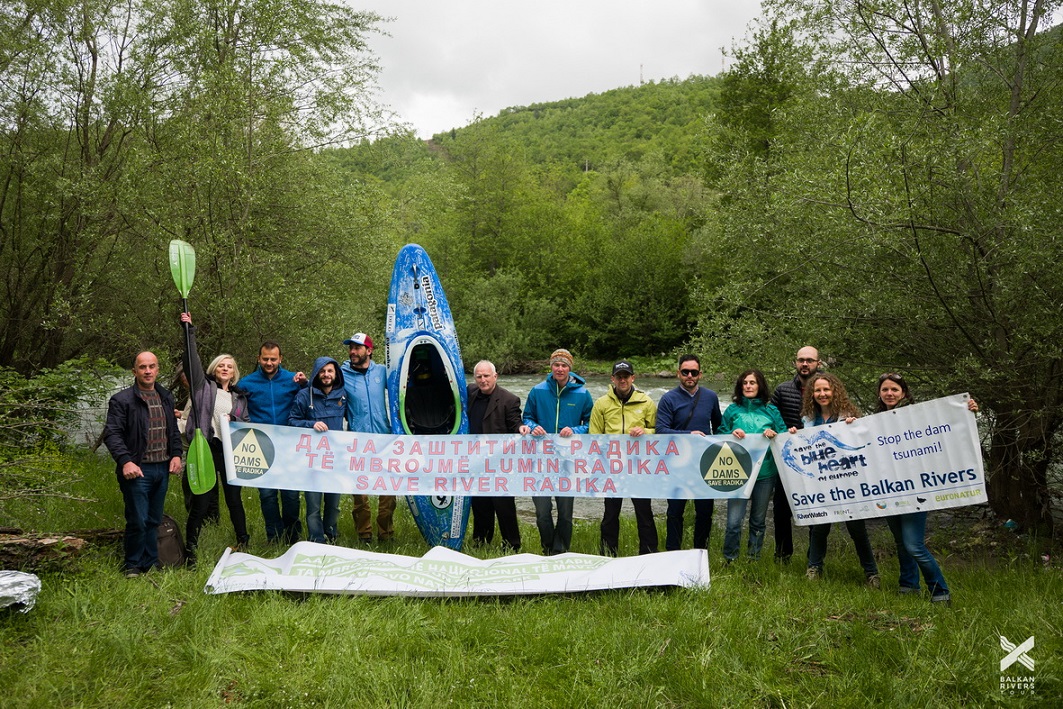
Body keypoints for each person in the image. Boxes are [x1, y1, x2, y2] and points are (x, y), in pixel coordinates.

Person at [876, 372, 977, 603]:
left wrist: (967, 410)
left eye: (895, 389)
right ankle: (908, 585)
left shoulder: (920, 417)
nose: (889, 393)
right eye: (885, 390)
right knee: (901, 542)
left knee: (914, 544)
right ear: (879, 393)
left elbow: (949, 428)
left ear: (904, 393)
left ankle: (940, 591)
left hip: (915, 490)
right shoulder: (873, 421)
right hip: (888, 490)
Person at [794, 372, 881, 586]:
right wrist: (794, 435)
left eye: (826, 389)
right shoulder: (807, 418)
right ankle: (814, 568)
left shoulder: (848, 415)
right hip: (821, 482)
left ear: (835, 391)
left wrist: (855, 427)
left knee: (857, 529)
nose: (822, 394)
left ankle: (871, 573)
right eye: (818, 390)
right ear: (811, 394)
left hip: (848, 482)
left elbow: (863, 444)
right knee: (820, 527)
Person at [103, 352, 184, 577]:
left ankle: (151, 563)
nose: (147, 371)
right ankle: (132, 564)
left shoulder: (165, 396)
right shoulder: (122, 400)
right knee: (137, 519)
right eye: (142, 367)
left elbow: (173, 431)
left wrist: (176, 455)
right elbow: (112, 434)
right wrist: (125, 461)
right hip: (137, 469)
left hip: (162, 468)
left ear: (157, 370)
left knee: (154, 519)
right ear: (135, 371)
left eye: (151, 366)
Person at [179, 312, 250, 563]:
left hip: (228, 452)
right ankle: (190, 549)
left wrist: (236, 422)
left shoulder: (239, 398)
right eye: (221, 365)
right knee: (201, 501)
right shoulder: (202, 386)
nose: (225, 369)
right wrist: (189, 330)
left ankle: (243, 543)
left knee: (234, 500)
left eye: (229, 366)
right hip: (204, 448)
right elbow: (191, 359)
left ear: (234, 372)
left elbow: (246, 425)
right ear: (214, 368)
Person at [519, 348, 593, 555]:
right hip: (539, 460)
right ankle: (548, 548)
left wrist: (576, 429)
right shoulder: (537, 391)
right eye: (556, 364)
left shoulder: (583, 394)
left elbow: (590, 423)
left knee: (565, 513)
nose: (560, 368)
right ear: (551, 366)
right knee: (542, 511)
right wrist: (533, 427)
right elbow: (527, 418)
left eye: (564, 365)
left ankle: (561, 551)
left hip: (568, 461)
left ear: (570, 367)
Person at [240, 341, 306, 544]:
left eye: (273, 359)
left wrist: (305, 382)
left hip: (289, 446)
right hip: (261, 446)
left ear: (280, 359)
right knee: (267, 495)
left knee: (291, 495)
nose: (269, 363)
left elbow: (315, 394)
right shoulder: (246, 383)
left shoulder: (292, 379)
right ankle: (274, 537)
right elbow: (228, 403)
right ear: (259, 358)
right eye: (265, 359)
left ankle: (293, 536)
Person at [592, 360, 659, 556]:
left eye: (626, 376)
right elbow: (594, 436)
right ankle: (607, 554)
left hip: (639, 466)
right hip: (612, 466)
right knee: (611, 514)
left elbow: (658, 432)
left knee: (644, 512)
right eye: (619, 376)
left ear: (633, 378)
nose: (623, 380)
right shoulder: (602, 403)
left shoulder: (646, 402)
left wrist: (645, 430)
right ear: (613, 379)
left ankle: (648, 553)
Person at [719, 370, 786, 562]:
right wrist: (732, 431)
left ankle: (753, 559)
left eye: (753, 383)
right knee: (733, 522)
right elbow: (719, 434)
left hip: (765, 472)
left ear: (760, 386)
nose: (748, 386)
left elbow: (783, 437)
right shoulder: (732, 410)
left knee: (758, 521)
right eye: (745, 383)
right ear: (741, 386)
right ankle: (729, 559)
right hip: (737, 472)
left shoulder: (771, 410)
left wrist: (774, 433)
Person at [656, 354, 721, 551]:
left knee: (704, 512)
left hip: (704, 463)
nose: (689, 376)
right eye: (685, 372)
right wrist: (689, 434)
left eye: (694, 372)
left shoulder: (711, 397)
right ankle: (673, 552)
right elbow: (661, 430)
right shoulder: (668, 399)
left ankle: (700, 552)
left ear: (700, 374)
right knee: (675, 511)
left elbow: (719, 428)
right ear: (678, 373)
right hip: (677, 463)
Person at [341, 332, 395, 545]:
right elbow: (322, 382)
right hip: (357, 441)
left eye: (357, 348)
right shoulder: (342, 373)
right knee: (360, 493)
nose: (353, 352)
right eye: (351, 348)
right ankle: (364, 535)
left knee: (388, 490)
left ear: (369, 351)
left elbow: (402, 388)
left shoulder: (382, 371)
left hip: (384, 440)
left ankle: (386, 534)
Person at [769, 346, 820, 561]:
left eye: (809, 360)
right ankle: (782, 555)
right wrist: (771, 430)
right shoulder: (782, 390)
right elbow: (769, 415)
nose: (805, 364)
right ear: (795, 363)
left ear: (818, 363)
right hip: (787, 460)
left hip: (818, 459)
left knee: (817, 509)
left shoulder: (826, 388)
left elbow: (841, 413)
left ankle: (814, 559)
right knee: (781, 509)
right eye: (801, 360)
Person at [289, 357, 346, 544]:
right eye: (322, 371)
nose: (326, 375)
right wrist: (311, 424)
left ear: (336, 374)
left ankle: (331, 537)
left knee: (334, 504)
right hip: (312, 460)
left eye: (330, 371)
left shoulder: (343, 395)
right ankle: (316, 540)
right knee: (313, 505)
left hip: (335, 460)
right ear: (316, 373)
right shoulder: (305, 396)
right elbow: (292, 421)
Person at [467, 360, 523, 551]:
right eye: (479, 377)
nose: (483, 380)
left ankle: (512, 545)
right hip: (476, 462)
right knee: (480, 506)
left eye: (486, 376)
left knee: (504, 507)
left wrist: (521, 428)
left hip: (501, 464)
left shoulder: (510, 400)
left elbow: (516, 423)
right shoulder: (470, 393)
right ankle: (480, 543)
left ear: (495, 376)